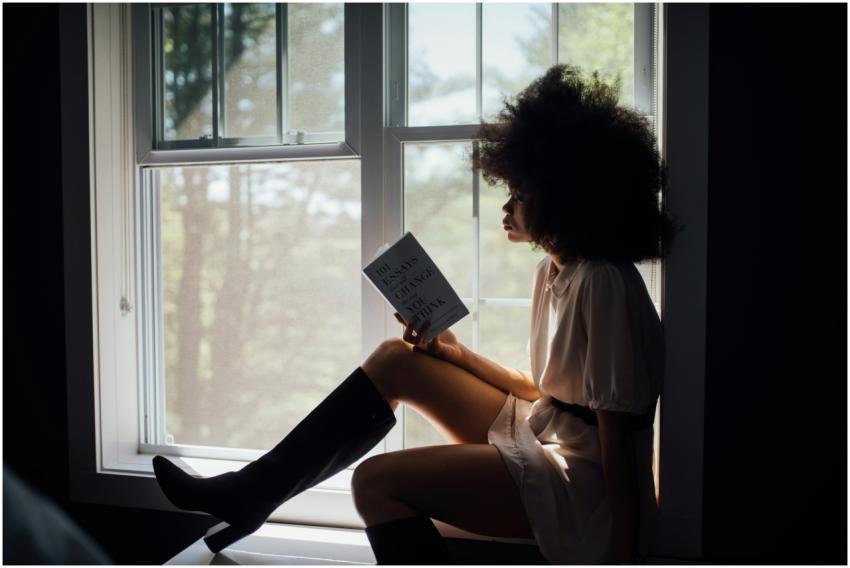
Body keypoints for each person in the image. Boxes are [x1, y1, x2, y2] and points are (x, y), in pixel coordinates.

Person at [152, 64, 678, 565]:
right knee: (396, 359)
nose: (506, 207)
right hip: (545, 430)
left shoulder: (604, 281)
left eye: (519, 194)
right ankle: (250, 494)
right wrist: (452, 352)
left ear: (561, 198)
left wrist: (626, 554)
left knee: (373, 483)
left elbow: (614, 430)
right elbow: (539, 389)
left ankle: (247, 496)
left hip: (582, 483)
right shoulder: (552, 272)